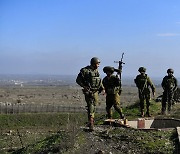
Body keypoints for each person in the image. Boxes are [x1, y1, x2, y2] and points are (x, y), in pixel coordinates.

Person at [76, 57, 104, 131]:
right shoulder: (85, 71)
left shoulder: (96, 71)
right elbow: (78, 80)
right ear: (93, 63)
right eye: (97, 64)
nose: (98, 65)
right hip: (89, 91)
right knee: (91, 105)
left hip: (96, 91)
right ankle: (91, 122)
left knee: (93, 106)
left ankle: (90, 121)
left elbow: (99, 80)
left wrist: (102, 88)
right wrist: (84, 86)